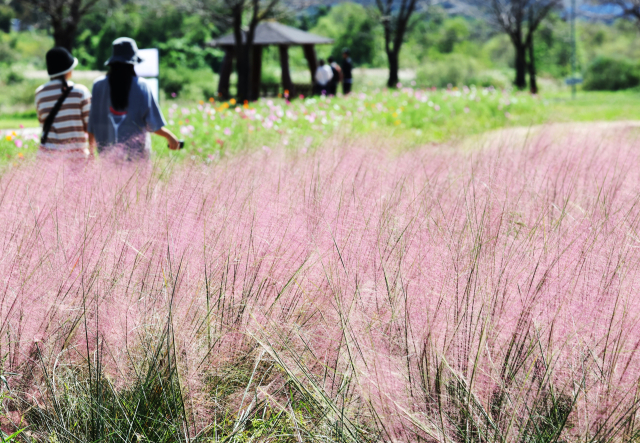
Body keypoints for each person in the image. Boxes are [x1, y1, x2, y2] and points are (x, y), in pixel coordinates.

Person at [88, 37, 180, 160]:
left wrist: (91, 152)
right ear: (133, 62)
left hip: (107, 161)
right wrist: (170, 136)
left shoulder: (98, 86)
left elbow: (92, 124)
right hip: (137, 161)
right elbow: (153, 125)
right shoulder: (142, 86)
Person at [35, 47, 94, 159]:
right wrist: (91, 153)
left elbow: (42, 123)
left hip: (47, 157)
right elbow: (90, 126)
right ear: (69, 70)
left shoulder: (40, 93)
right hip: (76, 158)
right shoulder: (80, 92)